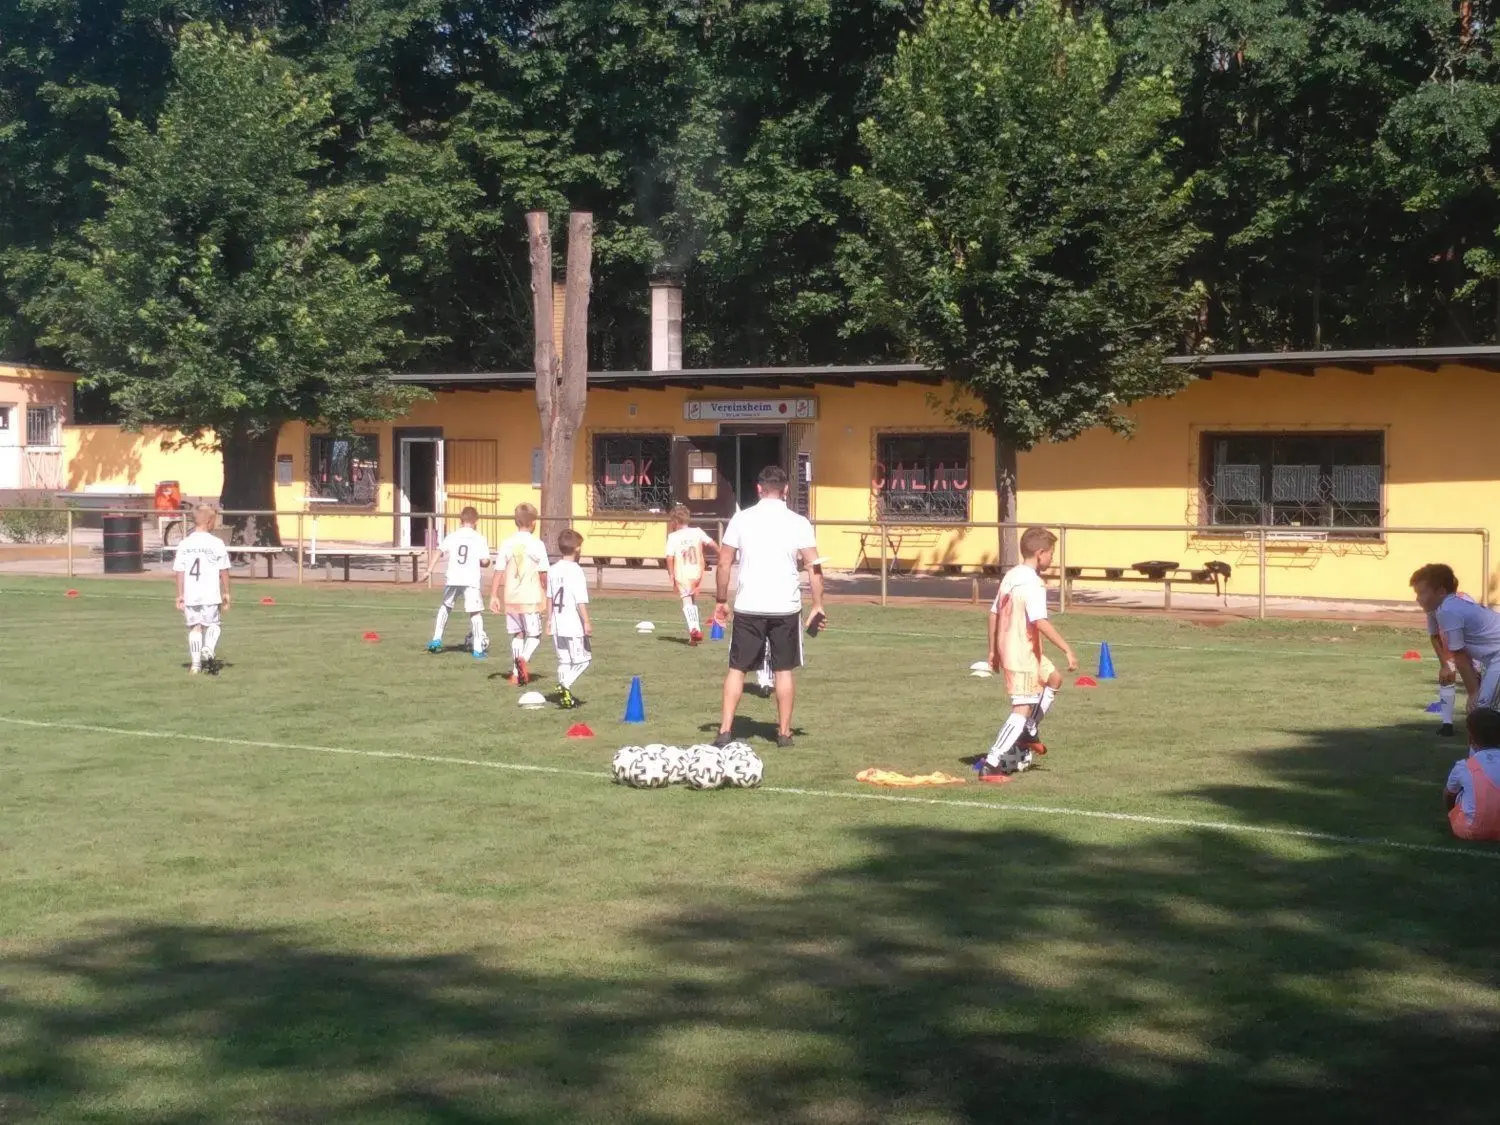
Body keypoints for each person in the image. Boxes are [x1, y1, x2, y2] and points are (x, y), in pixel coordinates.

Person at [712, 464, 825, 749]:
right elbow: (814, 566)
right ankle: (784, 734)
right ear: (786, 490)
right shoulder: (798, 522)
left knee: (737, 668)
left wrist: (721, 600)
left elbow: (724, 562)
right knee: (783, 670)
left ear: (759, 489)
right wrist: (818, 604)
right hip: (785, 607)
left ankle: (725, 730)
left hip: (749, 605)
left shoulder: (741, 519)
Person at [976, 526, 1077, 781]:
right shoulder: (1032, 583)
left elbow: (993, 613)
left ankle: (1028, 730)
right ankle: (992, 762)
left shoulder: (1011, 576)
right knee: (1021, 706)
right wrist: (1066, 649)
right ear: (1040, 553)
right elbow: (1040, 621)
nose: (1052, 559)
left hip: (1022, 648)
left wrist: (992, 650)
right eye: (1051, 553)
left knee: (1054, 679)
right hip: (1020, 651)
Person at [1411, 564, 1500, 715]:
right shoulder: (1443, 608)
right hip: (1494, 659)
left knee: (1482, 709)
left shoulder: (1448, 611)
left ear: (1441, 591)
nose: (1418, 598)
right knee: (1484, 711)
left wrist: (1473, 693)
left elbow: (1460, 656)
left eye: (1422, 592)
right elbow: (1438, 639)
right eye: (1417, 593)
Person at [490, 503, 551, 686]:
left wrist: (493, 595)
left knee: (518, 634)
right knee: (535, 635)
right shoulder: (537, 544)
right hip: (530, 597)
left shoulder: (507, 542)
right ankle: (523, 659)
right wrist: (548, 593)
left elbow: (498, 571)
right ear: (534, 523)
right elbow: (543, 573)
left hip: (511, 597)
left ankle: (515, 675)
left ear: (516, 521)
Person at [172, 504, 232, 676]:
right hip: (210, 594)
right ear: (209, 521)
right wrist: (226, 592)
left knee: (195, 628)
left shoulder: (185, 543)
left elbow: (179, 571)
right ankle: (208, 647)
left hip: (191, 594)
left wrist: (180, 594)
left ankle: (196, 666)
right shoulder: (216, 543)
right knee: (214, 625)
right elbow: (223, 570)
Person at [423, 506, 490, 659]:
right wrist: (483, 563)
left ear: (461, 520)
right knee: (475, 612)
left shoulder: (453, 536)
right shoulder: (479, 538)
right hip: (471, 579)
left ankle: (436, 639)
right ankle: (478, 649)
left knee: (446, 607)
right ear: (476, 521)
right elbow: (485, 561)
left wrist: (429, 570)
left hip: (453, 577)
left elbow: (438, 551)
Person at [1421, 574, 1476, 736]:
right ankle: (1447, 725)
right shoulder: (1432, 607)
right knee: (1446, 678)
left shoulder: (1466, 602)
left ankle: (1479, 727)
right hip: (1451, 646)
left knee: (1477, 686)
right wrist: (1444, 663)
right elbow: (1434, 635)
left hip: (1472, 647)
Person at [549, 528, 593, 709]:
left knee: (564, 661)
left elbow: (550, 597)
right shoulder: (575, 571)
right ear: (576, 548)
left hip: (558, 622)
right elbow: (579, 600)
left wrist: (548, 620)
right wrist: (587, 621)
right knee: (583, 660)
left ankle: (564, 697)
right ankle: (564, 685)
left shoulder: (553, 569)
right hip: (572, 623)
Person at [1444, 707, 1500, 841]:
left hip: (1470, 830)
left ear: (1470, 739)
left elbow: (1449, 794)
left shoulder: (1463, 766)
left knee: (1459, 794)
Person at [664, 505, 716, 645]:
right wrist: (721, 553)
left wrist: (671, 574)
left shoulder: (673, 536)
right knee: (692, 601)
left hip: (682, 572)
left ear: (674, 521)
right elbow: (711, 543)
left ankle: (694, 629)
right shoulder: (697, 531)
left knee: (686, 601)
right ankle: (693, 637)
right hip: (697, 572)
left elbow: (669, 557)